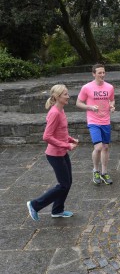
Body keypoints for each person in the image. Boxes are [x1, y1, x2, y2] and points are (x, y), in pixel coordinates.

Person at [27, 84, 79, 221]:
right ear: (57, 97)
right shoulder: (55, 112)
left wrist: (70, 139)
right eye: (65, 94)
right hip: (54, 154)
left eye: (67, 94)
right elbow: (47, 136)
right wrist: (67, 145)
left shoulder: (61, 110)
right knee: (63, 184)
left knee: (67, 182)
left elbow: (60, 132)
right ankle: (34, 204)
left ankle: (57, 210)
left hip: (62, 152)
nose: (68, 96)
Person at [76, 64, 115, 185]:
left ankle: (104, 172)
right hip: (93, 121)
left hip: (106, 121)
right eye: (99, 73)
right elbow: (78, 103)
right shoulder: (87, 87)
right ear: (94, 74)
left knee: (106, 147)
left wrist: (112, 105)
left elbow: (112, 99)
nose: (102, 75)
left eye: (103, 72)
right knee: (98, 147)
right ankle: (95, 170)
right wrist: (90, 107)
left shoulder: (109, 87)